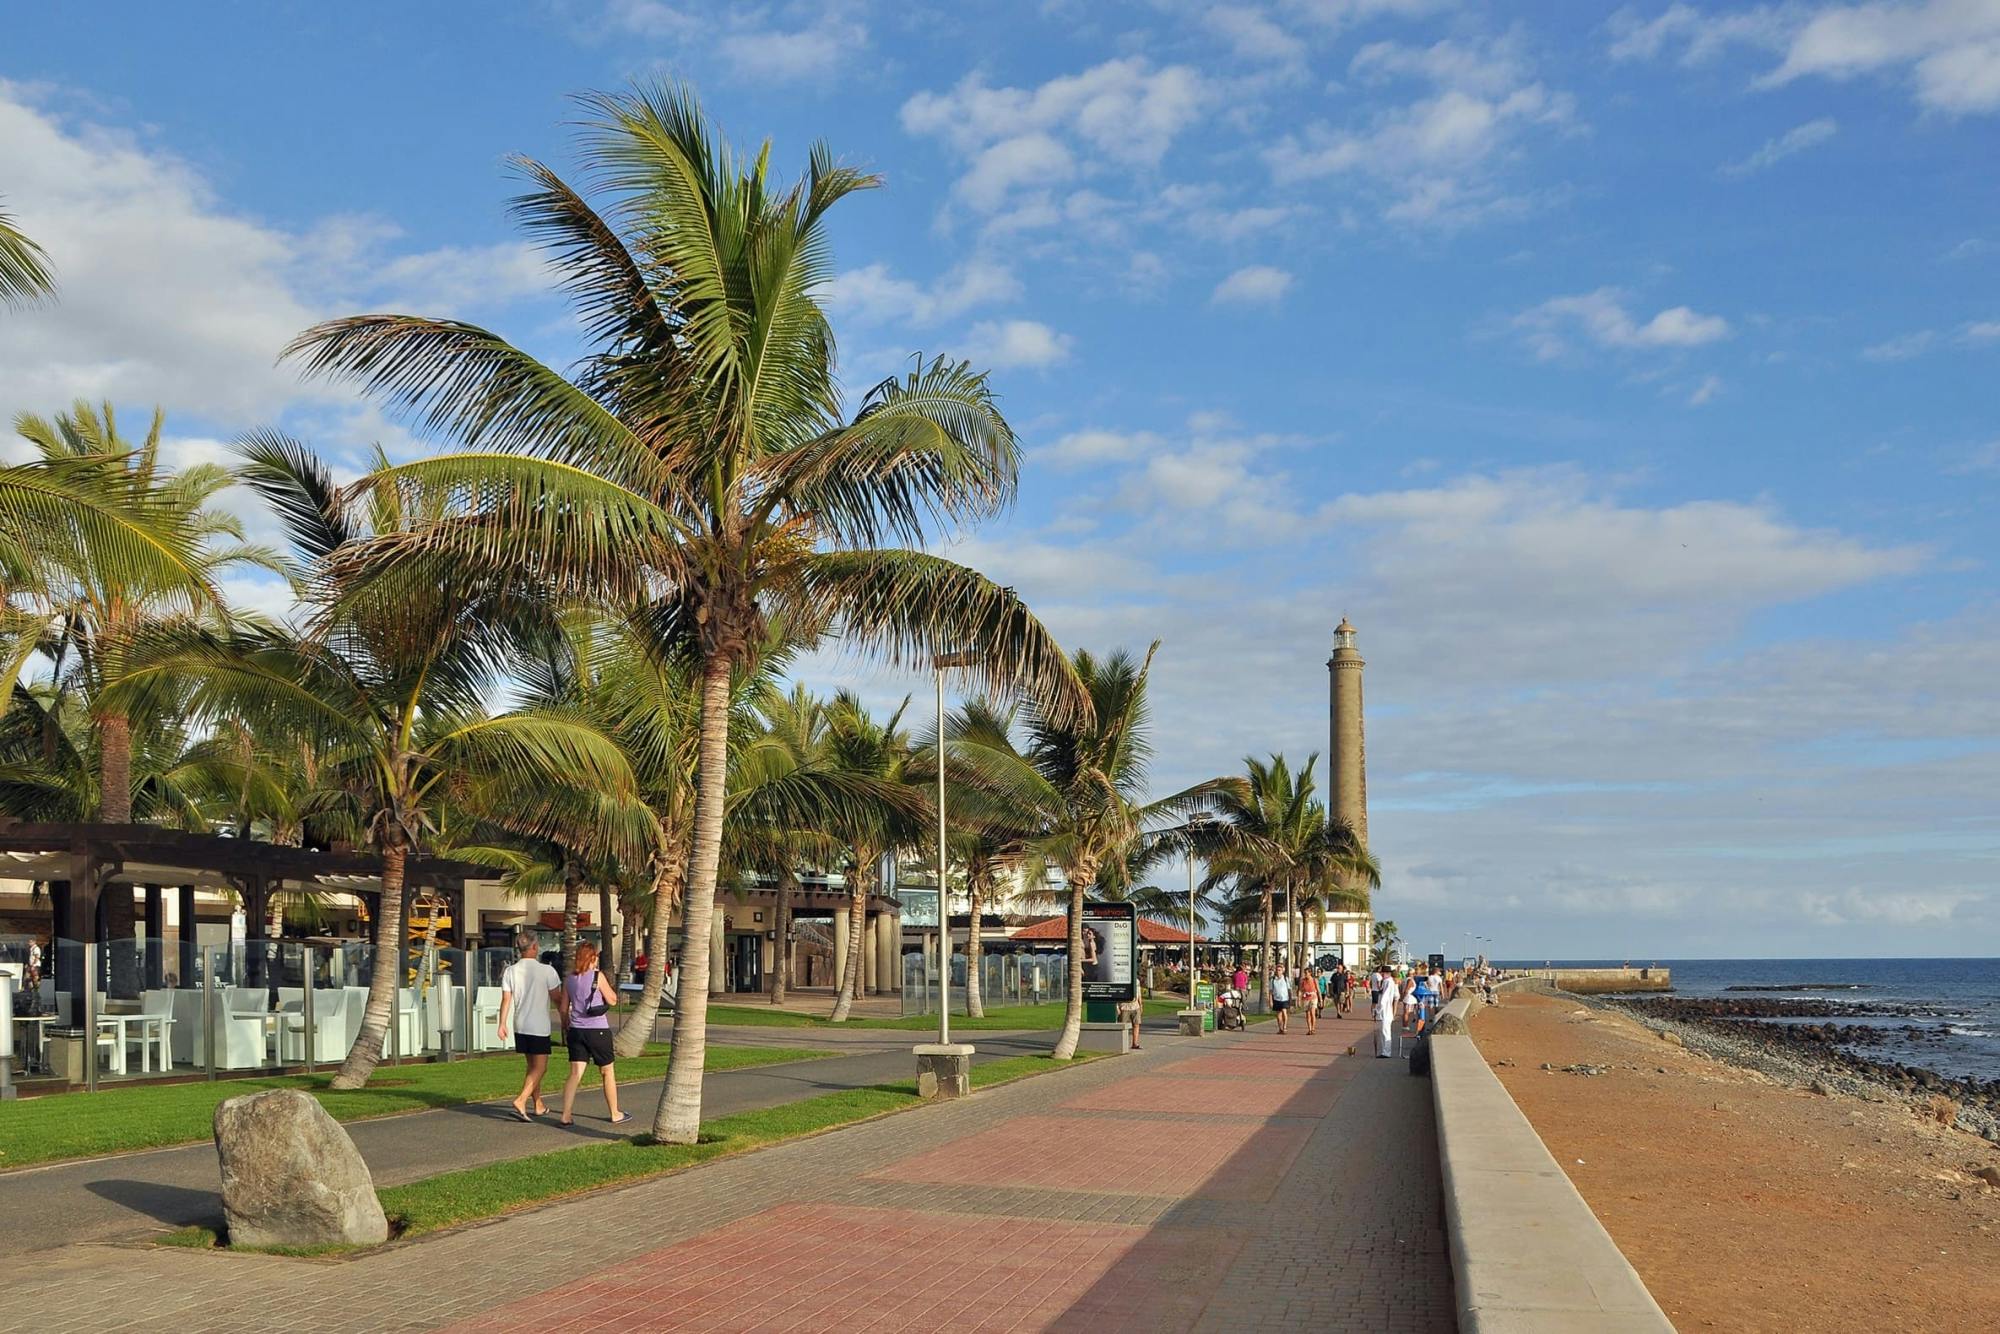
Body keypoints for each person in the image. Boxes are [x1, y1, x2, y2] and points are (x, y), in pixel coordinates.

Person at [559, 944, 629, 1127]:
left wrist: (566, 1024)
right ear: (591, 958)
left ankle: (566, 1114)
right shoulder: (598, 976)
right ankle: (615, 1113)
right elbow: (613, 1000)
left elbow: (563, 1007)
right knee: (607, 1072)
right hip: (597, 1029)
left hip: (576, 1030)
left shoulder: (569, 979)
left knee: (575, 1073)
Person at [497, 930, 562, 1122]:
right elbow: (557, 998)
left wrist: (502, 1023)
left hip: (520, 1024)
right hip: (538, 1026)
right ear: (534, 947)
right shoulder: (547, 971)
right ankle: (521, 1100)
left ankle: (538, 1104)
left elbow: (505, 999)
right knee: (540, 1068)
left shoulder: (510, 971)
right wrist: (565, 1016)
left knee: (532, 1066)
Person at [1371, 964, 1398, 1057]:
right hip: (1385, 1011)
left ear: (1387, 973)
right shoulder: (1387, 981)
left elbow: (1384, 998)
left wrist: (1377, 1010)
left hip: (1385, 1011)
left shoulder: (1388, 982)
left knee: (1385, 1032)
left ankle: (1386, 1052)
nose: (1381, 975)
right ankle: (1384, 1051)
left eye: (1383, 973)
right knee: (1383, 1032)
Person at [1268, 967, 1293, 1033]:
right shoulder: (1273, 980)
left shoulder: (1285, 979)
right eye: (1277, 970)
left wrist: (1290, 998)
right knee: (1278, 1015)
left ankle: (1284, 1027)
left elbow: (1289, 989)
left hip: (1284, 998)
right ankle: (1280, 1028)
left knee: (1284, 1012)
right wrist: (1270, 1001)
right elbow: (1270, 991)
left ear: (1282, 971)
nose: (1278, 971)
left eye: (1279, 970)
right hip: (1276, 999)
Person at [1297, 967, 1319, 1035]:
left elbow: (1318, 989)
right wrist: (1299, 1000)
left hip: (1313, 997)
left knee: (1312, 1013)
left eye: (1306, 973)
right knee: (1308, 1014)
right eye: (1305, 973)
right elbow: (1300, 990)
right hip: (1306, 998)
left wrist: (1320, 999)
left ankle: (1313, 1028)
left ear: (1310, 973)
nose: (1305, 974)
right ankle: (1309, 1029)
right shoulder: (1302, 981)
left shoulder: (1314, 980)